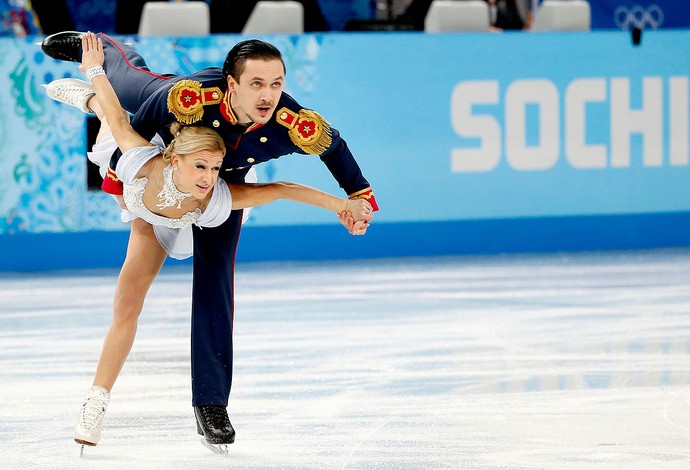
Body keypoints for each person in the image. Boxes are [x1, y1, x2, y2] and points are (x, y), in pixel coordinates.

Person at [41, 31, 378, 450]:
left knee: (216, 279)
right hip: (167, 149)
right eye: (256, 83)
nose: (268, 95)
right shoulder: (188, 98)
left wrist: (357, 197)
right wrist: (132, 174)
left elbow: (329, 153)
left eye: (276, 84)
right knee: (127, 81)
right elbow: (132, 129)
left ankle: (212, 405)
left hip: (222, 185)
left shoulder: (294, 124)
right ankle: (102, 52)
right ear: (231, 83)